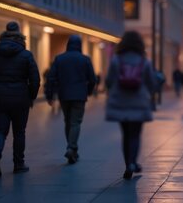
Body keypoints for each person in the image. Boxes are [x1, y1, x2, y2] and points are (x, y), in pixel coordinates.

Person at [0, 22, 40, 177]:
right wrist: (31, 96)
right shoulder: (26, 55)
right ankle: (18, 164)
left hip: (0, 98)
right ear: (20, 36)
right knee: (19, 132)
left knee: (0, 130)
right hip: (21, 98)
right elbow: (35, 79)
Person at [105, 31, 156, 180]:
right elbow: (151, 83)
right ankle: (133, 162)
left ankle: (128, 164)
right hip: (139, 103)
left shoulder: (116, 60)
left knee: (125, 134)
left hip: (120, 102)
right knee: (135, 134)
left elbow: (108, 81)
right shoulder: (144, 61)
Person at [45, 35, 96, 164]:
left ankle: (72, 148)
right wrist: (88, 91)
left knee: (68, 121)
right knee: (76, 122)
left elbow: (51, 77)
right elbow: (92, 79)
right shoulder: (85, 59)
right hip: (79, 95)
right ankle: (71, 147)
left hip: (64, 95)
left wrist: (49, 95)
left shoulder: (59, 59)